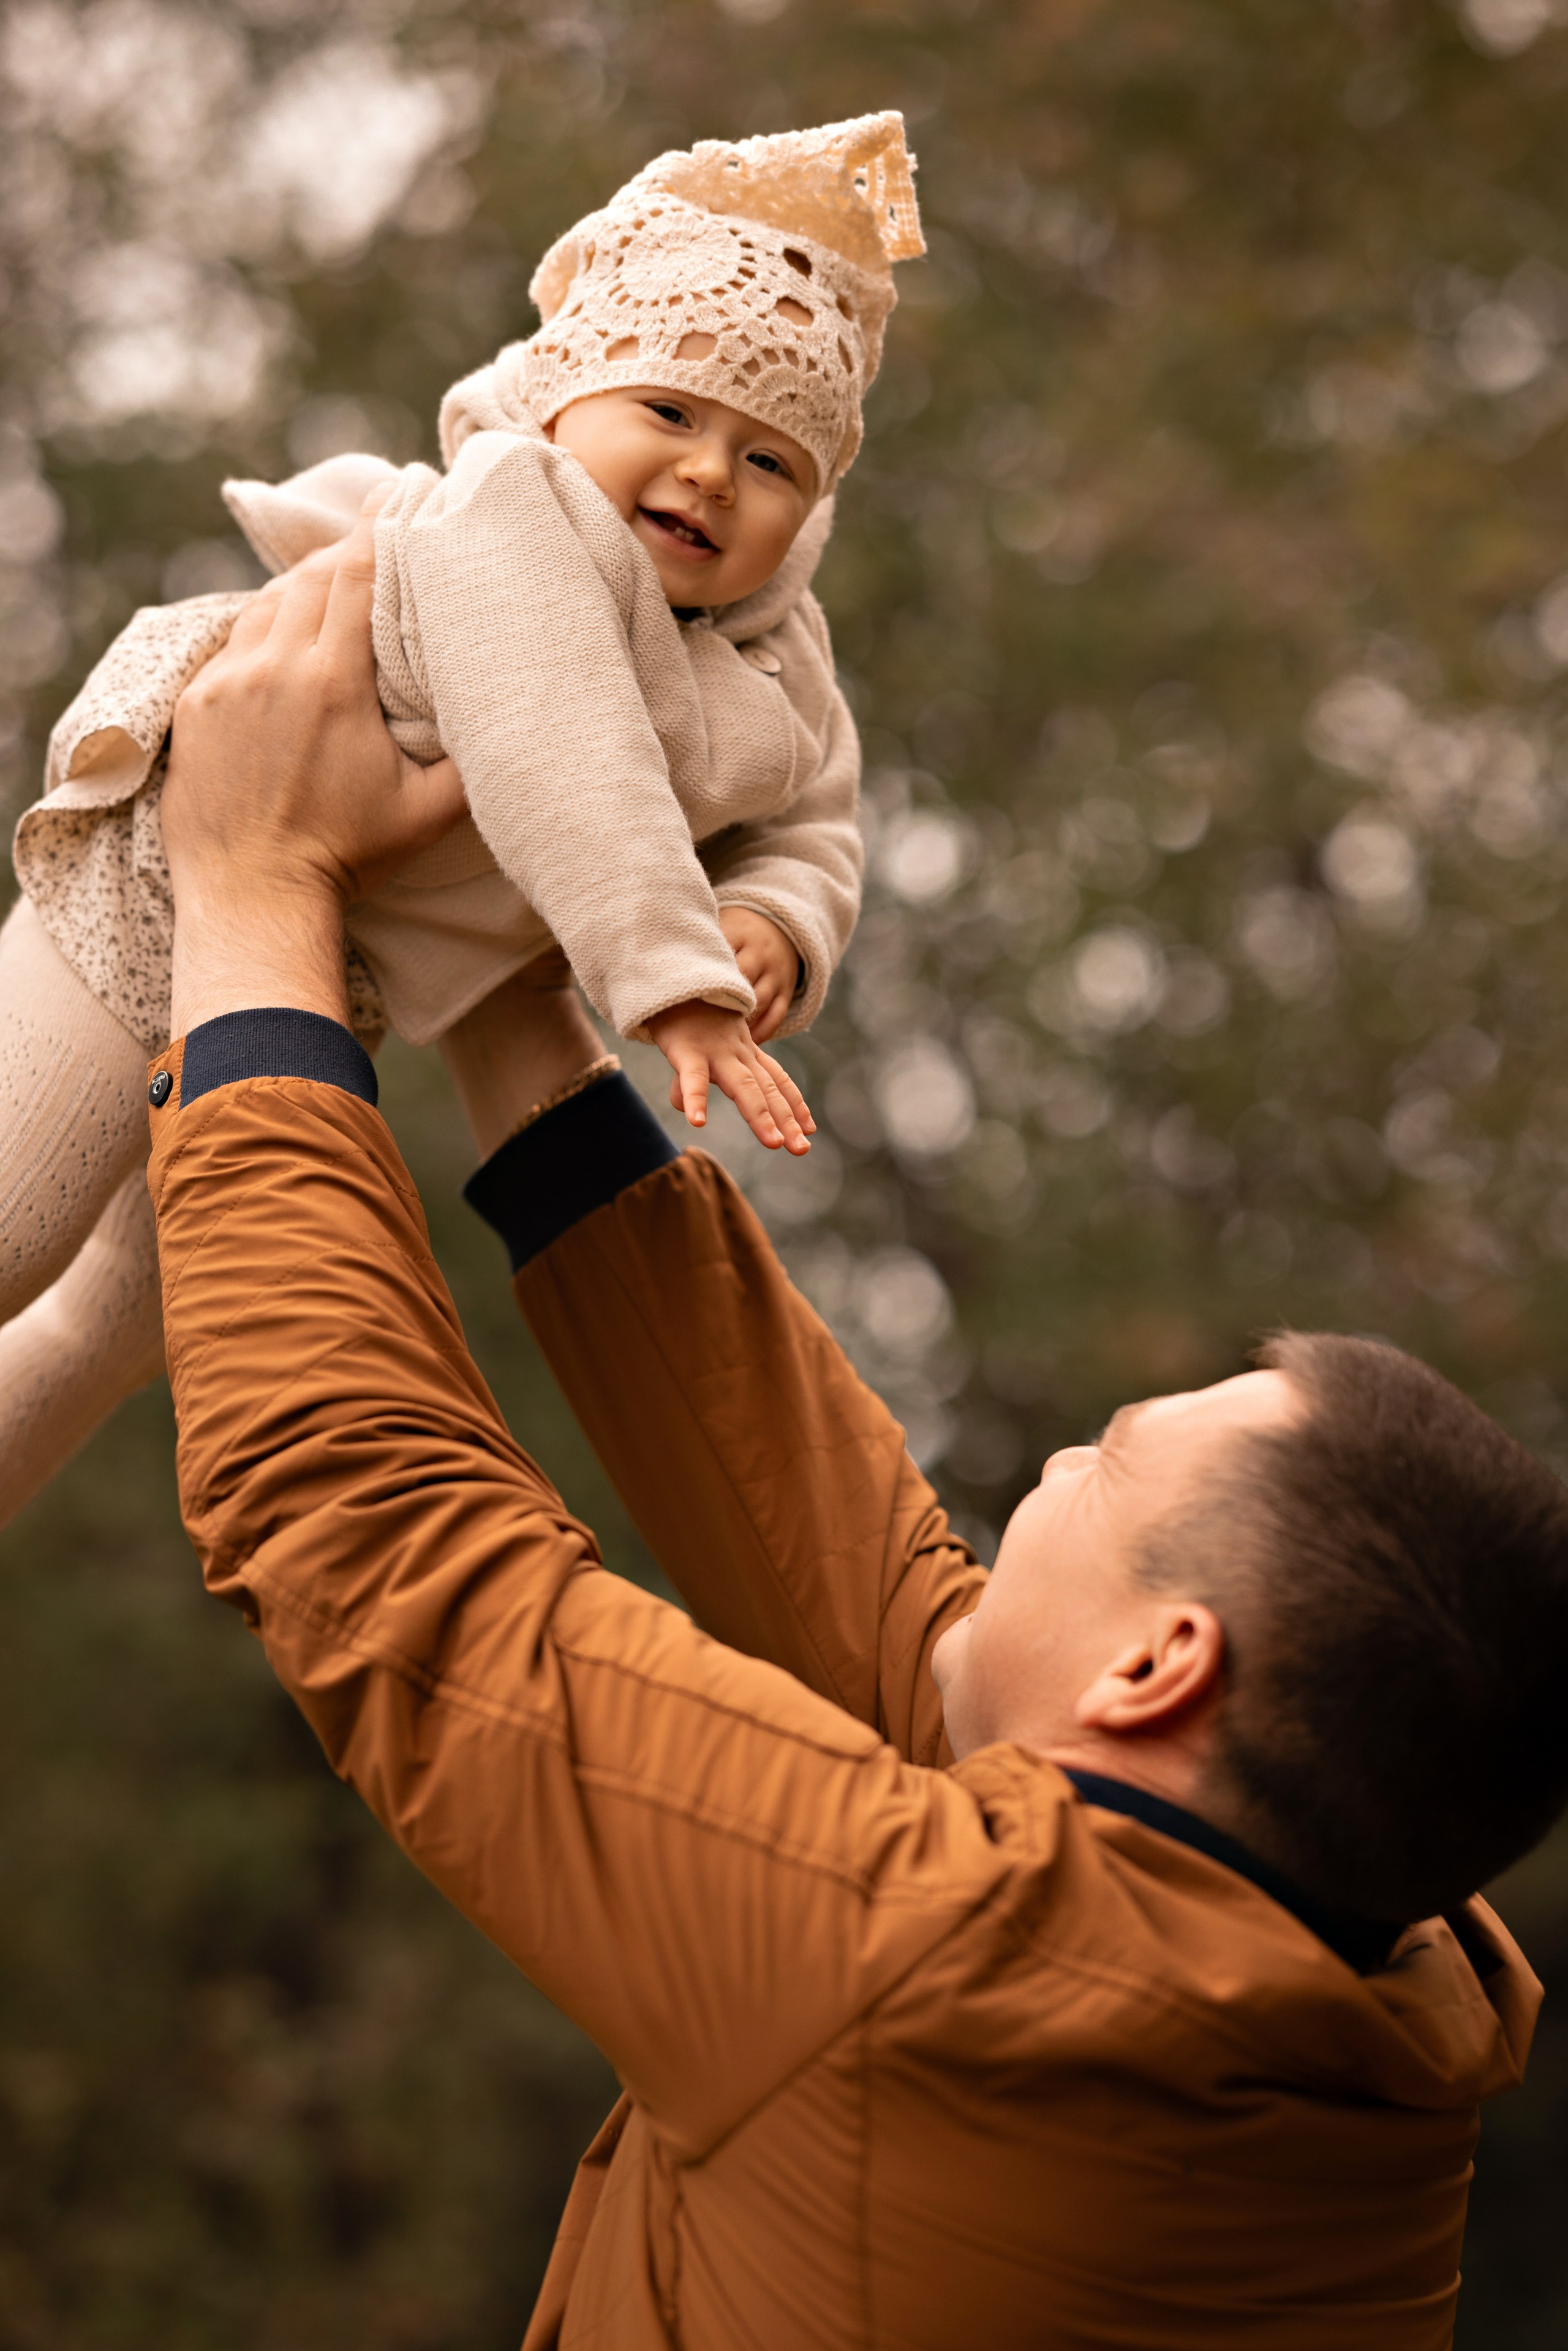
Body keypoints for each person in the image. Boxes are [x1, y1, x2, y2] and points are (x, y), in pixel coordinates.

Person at [146, 512, 1563, 2349]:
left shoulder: (933, 1968)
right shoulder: (1342, 1994)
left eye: (1107, 1457)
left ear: (1161, 1663)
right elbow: (867, 1581)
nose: (1041, 1476)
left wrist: (254, 878)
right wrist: (510, 978)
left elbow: (383, 1545)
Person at [0, 108, 927, 1523]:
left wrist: (767, 925)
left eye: (770, 461)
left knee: (122, 1326)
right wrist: (670, 978)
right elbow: (562, 740)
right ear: (566, 397)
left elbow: (815, 821)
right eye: (668, 412)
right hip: (166, 882)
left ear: (805, 516)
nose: (706, 474)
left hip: (315, 958)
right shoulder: (511, 512)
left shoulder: (770, 659)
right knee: (12, 1228)